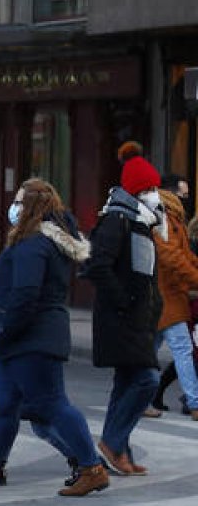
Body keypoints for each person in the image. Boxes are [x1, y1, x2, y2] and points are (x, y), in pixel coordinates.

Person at [0, 178, 109, 496]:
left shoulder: (33, 244)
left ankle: (92, 468)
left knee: (53, 404)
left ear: (31, 207)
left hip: (31, 339)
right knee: (4, 405)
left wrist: (7, 329)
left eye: (19, 201)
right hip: (29, 338)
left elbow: (26, 294)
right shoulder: (45, 240)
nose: (14, 207)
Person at [83, 143, 164, 476]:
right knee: (146, 380)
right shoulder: (117, 220)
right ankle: (112, 443)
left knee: (127, 382)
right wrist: (124, 301)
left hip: (136, 318)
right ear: (135, 192)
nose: (154, 195)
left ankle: (121, 451)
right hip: (122, 318)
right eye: (148, 189)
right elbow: (97, 265)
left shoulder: (140, 222)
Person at [142, 187, 198, 421]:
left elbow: (183, 256)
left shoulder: (168, 218)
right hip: (167, 297)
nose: (186, 198)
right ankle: (195, 403)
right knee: (182, 350)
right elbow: (174, 257)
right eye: (182, 193)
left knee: (148, 353)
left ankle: (141, 400)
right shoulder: (165, 220)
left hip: (163, 297)